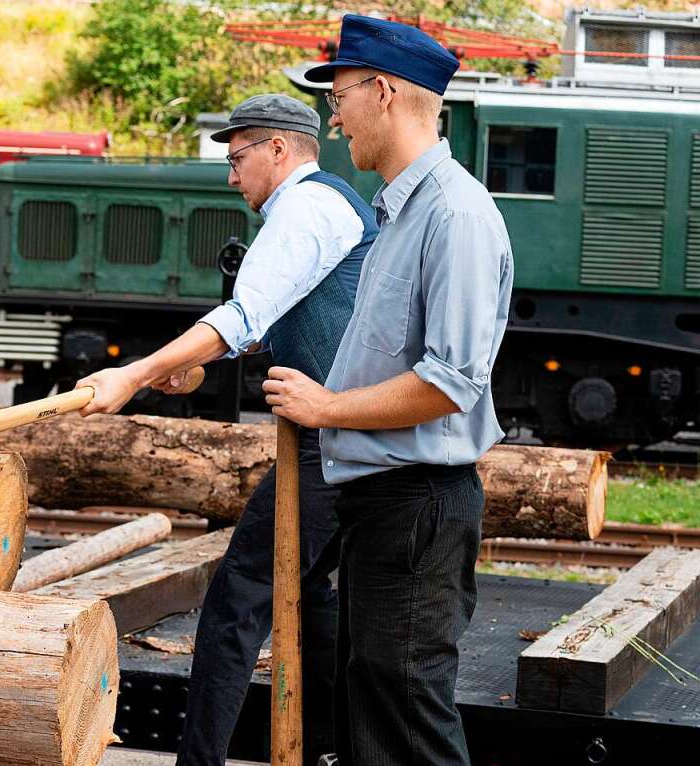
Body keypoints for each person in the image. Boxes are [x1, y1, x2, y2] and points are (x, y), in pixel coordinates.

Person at [77, 93, 378, 765]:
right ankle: (331, 750)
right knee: (311, 591)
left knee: (236, 601)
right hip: (343, 435)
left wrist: (134, 374)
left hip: (333, 436)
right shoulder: (326, 204)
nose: (230, 174)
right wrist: (191, 366)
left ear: (279, 149)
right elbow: (278, 321)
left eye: (237, 156)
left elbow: (245, 313)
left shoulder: (304, 209)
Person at [262, 15, 514, 766]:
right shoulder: (400, 211)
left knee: (407, 723)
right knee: (377, 716)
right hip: (388, 506)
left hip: (418, 506)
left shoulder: (453, 214)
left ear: (385, 92)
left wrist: (328, 409)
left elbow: (452, 380)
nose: (332, 119)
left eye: (338, 97)